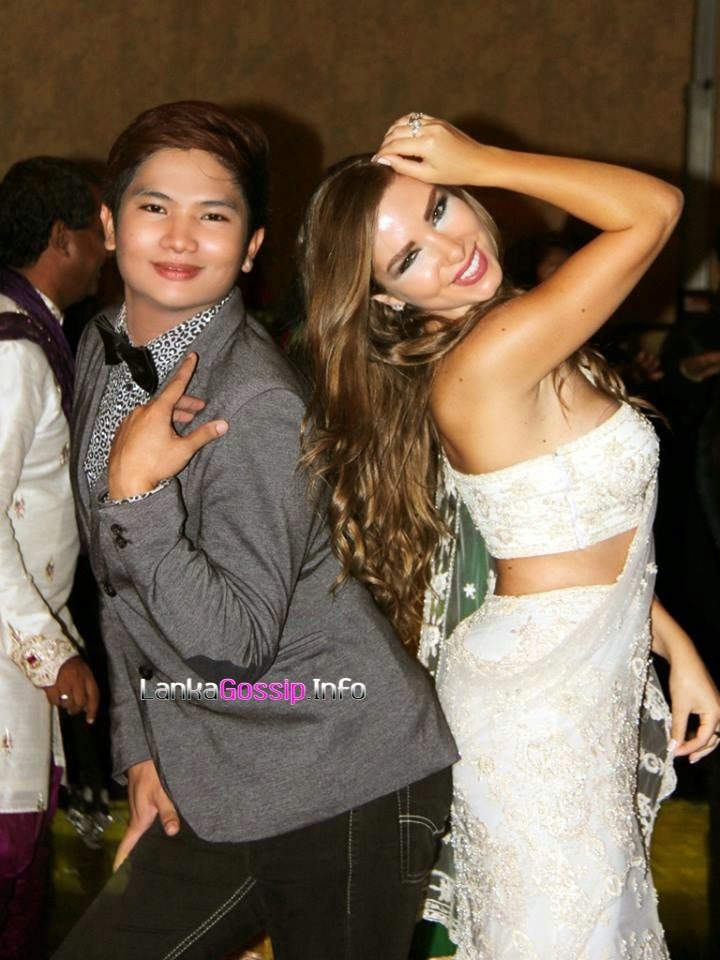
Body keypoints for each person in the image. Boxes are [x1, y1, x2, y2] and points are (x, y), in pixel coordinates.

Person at [298, 114, 720, 958]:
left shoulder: (491, 335)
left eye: (441, 207)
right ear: (387, 299)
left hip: (571, 686)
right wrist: (482, 160)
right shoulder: (491, 353)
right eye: (409, 258)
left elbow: (565, 537)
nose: (451, 247)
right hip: (541, 716)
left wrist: (675, 645)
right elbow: (655, 209)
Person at [54, 100, 457, 960]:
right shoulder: (100, 346)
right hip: (220, 769)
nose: (180, 237)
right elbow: (119, 591)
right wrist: (143, 749)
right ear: (109, 225)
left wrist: (137, 498)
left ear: (251, 247)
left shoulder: (257, 402)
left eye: (214, 216)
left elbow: (235, 645)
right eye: (154, 207)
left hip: (344, 773)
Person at [0, 157, 104, 959]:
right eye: (99, 229)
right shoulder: (13, 351)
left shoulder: (33, 334)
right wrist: (49, 650)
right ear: (63, 238)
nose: (110, 247)